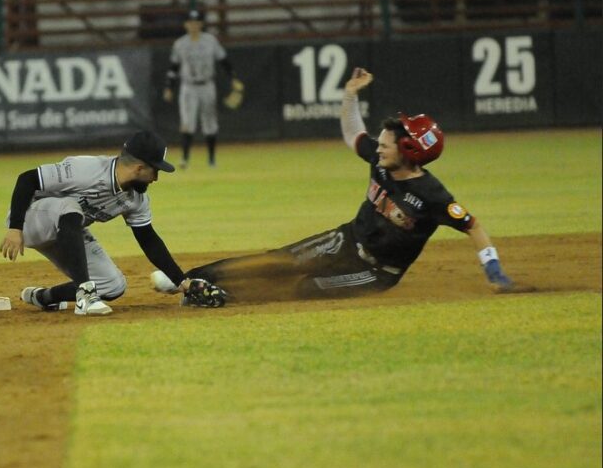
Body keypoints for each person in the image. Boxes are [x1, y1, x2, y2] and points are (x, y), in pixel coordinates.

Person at [152, 66, 529, 303]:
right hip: (345, 239)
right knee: (277, 262)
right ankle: (188, 279)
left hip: (376, 273)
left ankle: (215, 297)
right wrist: (351, 94)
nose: (378, 144)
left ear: (410, 150)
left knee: (301, 288)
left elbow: (472, 225)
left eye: (387, 141)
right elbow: (354, 132)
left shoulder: (431, 196)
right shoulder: (381, 161)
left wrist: (494, 271)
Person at [0, 130, 220, 315]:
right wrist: (15, 228)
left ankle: (44, 297)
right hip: (30, 219)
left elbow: (148, 239)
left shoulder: (136, 199)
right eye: (156, 170)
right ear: (139, 168)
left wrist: (183, 282)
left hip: (68, 232)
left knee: (112, 285)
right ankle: (85, 296)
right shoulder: (87, 170)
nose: (156, 178)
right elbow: (27, 179)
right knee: (70, 207)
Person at [163, 9, 243, 169]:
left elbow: (224, 61)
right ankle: (185, 159)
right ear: (186, 24)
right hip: (188, 86)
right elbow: (173, 67)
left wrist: (233, 78)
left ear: (201, 24)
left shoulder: (210, 41)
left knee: (210, 122)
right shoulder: (180, 44)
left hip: (207, 85)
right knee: (187, 122)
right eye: (191, 22)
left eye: (197, 22)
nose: (194, 25)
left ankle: (212, 159)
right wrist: (169, 87)